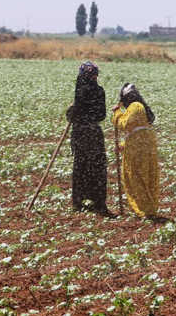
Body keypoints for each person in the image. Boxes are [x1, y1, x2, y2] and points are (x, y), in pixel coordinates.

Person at [66, 61, 109, 214]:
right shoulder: (100, 91)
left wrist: (71, 111)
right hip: (95, 133)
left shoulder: (80, 90)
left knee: (81, 166)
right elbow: (101, 115)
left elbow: (76, 115)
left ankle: (79, 200)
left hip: (82, 134)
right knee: (97, 166)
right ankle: (98, 201)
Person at [111, 83, 159, 218]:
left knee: (136, 176)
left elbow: (126, 124)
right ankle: (149, 208)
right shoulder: (140, 107)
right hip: (144, 143)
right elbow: (136, 130)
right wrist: (124, 144)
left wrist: (117, 113)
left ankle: (144, 210)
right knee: (146, 175)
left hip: (139, 146)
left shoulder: (135, 106)